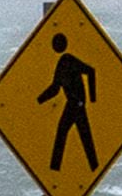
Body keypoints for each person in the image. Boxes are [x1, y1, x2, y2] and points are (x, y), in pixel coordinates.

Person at [39, 31, 100, 176]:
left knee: (73, 135)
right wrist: (38, 100)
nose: (55, 46)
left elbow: (91, 71)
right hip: (72, 104)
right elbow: (55, 88)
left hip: (77, 104)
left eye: (57, 43)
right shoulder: (61, 64)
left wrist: (92, 98)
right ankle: (56, 170)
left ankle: (56, 169)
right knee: (78, 136)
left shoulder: (68, 60)